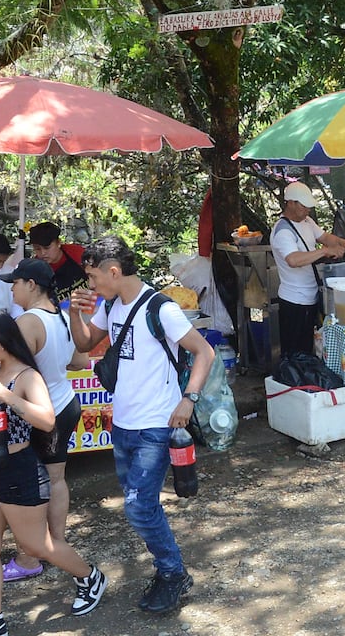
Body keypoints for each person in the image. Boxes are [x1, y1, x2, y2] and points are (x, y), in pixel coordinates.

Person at [68, 235, 216, 613]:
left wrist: (189, 398)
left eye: (93, 276)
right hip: (123, 425)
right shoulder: (113, 303)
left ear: (113, 271)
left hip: (156, 425)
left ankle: (172, 572)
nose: (91, 284)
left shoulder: (161, 308)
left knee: (137, 506)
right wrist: (75, 312)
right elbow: (84, 345)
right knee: (143, 503)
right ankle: (170, 569)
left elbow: (205, 352)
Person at [0, 310, 106, 636]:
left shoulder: (26, 377)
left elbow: (47, 420)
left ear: (2, 341)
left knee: (37, 545)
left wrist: (8, 397)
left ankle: (90, 577)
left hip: (17, 471)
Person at [0, 258, 89, 582]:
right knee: (56, 479)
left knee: (31, 484)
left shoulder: (27, 322)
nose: (12, 289)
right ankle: (56, 544)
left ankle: (29, 557)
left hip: (39, 412)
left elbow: (10, 369)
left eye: (15, 283)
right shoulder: (61, 316)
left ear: (31, 285)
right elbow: (81, 360)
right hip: (66, 403)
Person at [269, 182, 345, 356]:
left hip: (310, 298)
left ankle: (307, 381)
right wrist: (324, 251)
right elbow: (293, 259)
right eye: (303, 206)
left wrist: (342, 243)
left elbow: (325, 237)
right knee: (294, 354)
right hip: (294, 301)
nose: (307, 210)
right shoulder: (282, 231)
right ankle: (293, 382)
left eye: (309, 206)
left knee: (308, 350)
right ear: (290, 203)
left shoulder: (307, 221)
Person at [27, 221, 87, 304]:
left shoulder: (77, 253)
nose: (43, 253)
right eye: (37, 249)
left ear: (58, 243)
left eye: (47, 248)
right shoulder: (36, 269)